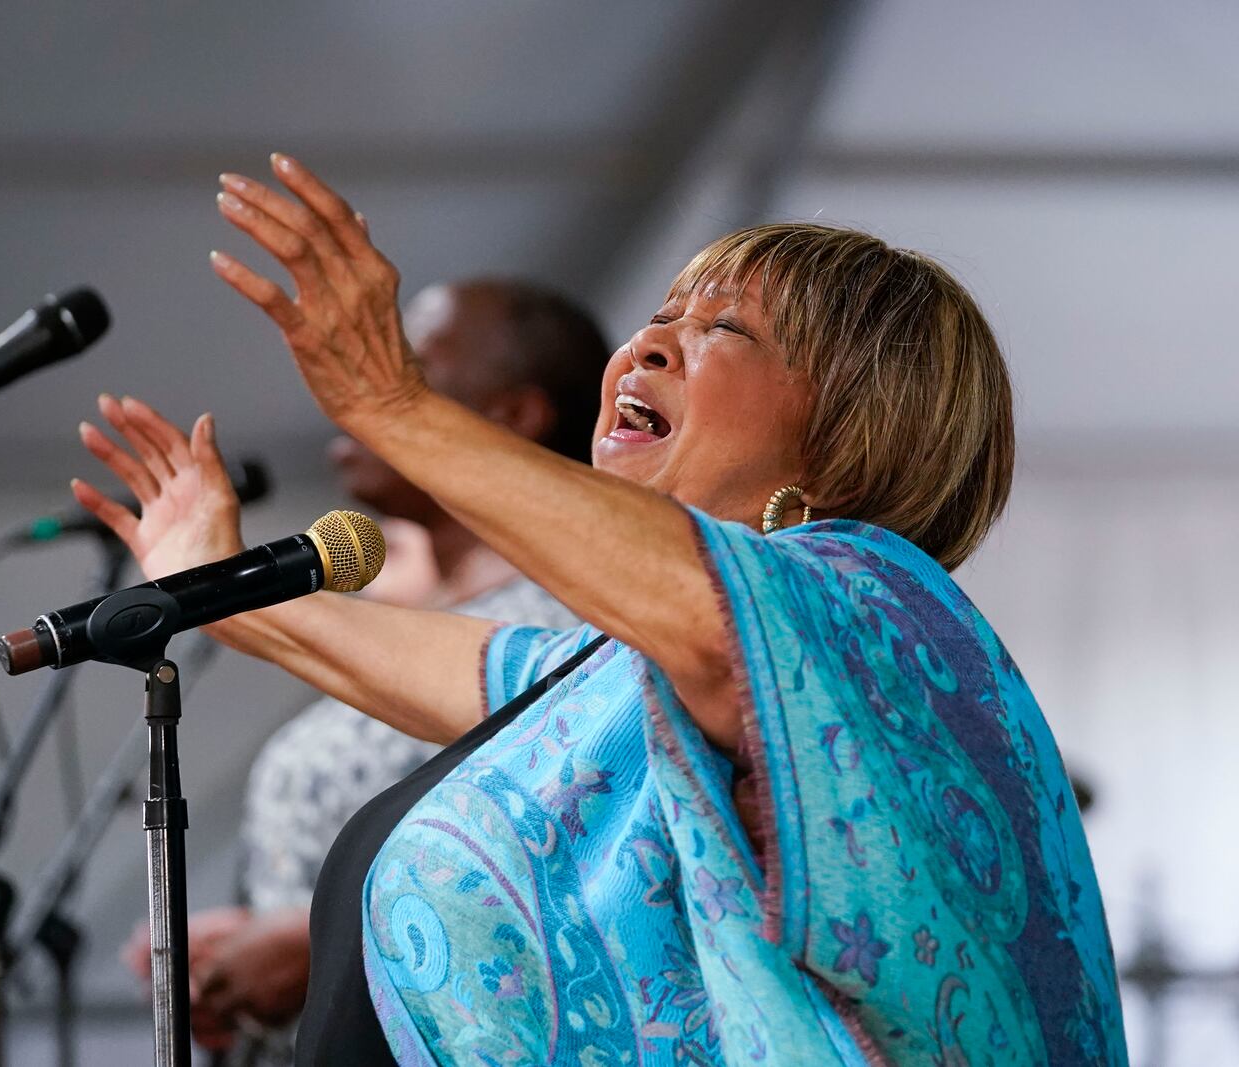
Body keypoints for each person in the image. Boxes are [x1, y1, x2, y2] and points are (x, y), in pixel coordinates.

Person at [73, 156, 1127, 1064]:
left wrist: (394, 406)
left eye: (724, 328)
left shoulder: (870, 606)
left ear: (853, 424)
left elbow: (710, 613)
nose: (652, 344)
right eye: (661, 314)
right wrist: (200, 580)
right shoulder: (627, 672)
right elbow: (430, 663)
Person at [108, 277, 611, 1062]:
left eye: (406, 372)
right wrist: (249, 939)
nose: (349, 404)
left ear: (515, 413)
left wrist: (321, 944)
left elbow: (566, 868)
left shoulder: (574, 621)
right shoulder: (414, 610)